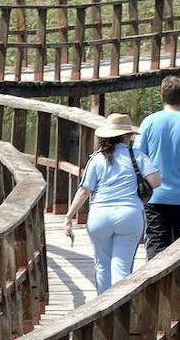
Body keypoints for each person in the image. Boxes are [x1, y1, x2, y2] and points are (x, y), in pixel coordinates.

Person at [63, 113, 161, 294]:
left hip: (99, 216)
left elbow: (84, 191)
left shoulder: (96, 159)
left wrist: (68, 217)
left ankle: (103, 305)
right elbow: (155, 182)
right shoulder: (137, 156)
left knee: (102, 265)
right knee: (122, 266)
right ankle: (120, 306)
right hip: (129, 216)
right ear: (126, 137)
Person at [135, 75, 180, 258]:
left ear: (161, 96)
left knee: (156, 245)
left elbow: (137, 158)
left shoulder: (149, 122)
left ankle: (155, 276)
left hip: (155, 196)